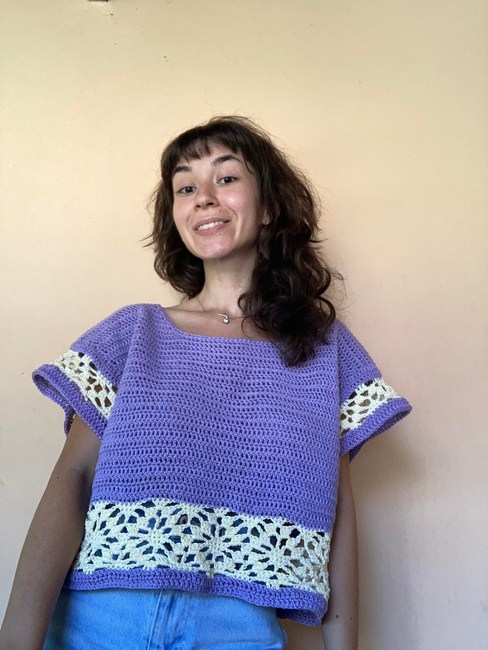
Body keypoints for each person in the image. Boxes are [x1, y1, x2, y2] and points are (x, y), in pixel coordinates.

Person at [0, 116, 411, 650]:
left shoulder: (324, 349)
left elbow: (338, 511)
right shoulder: (133, 334)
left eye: (227, 177)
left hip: (238, 631)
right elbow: (71, 482)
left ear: (270, 206)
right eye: (186, 188)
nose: (204, 198)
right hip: (100, 620)